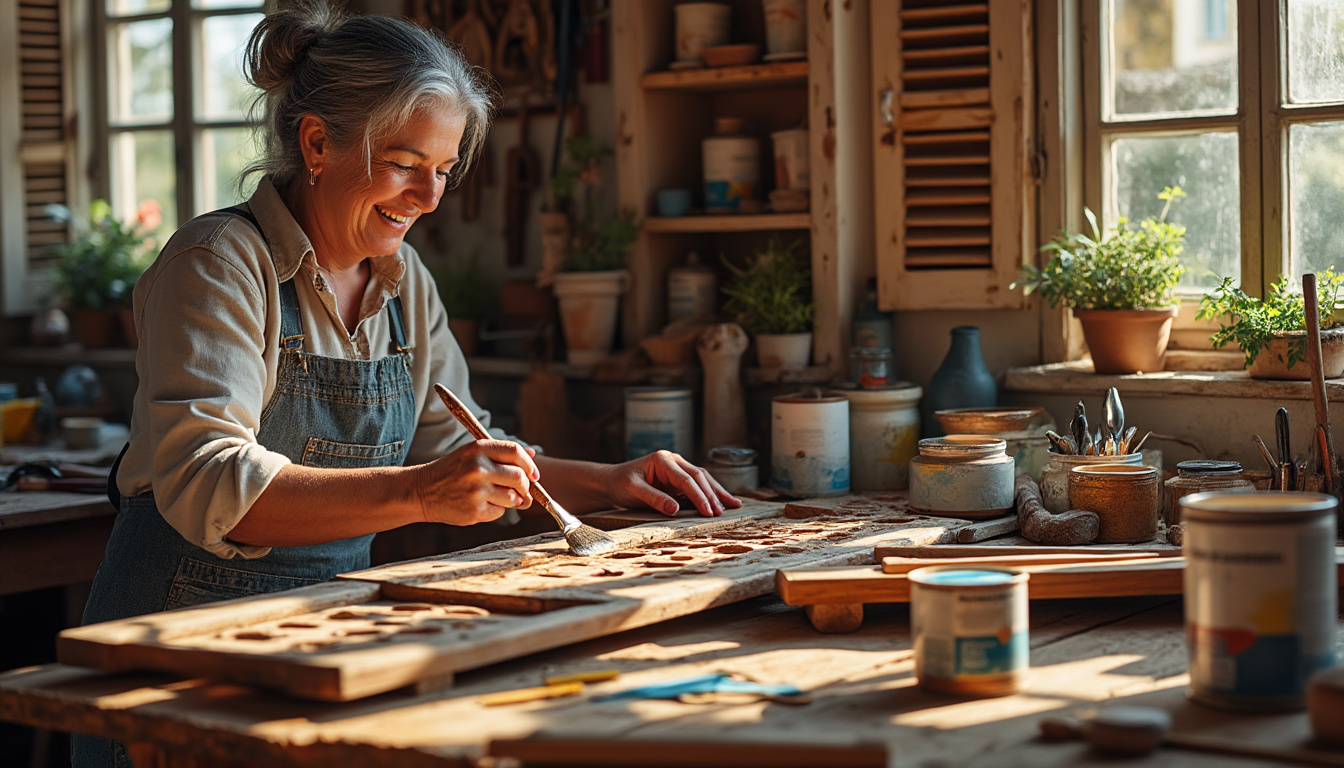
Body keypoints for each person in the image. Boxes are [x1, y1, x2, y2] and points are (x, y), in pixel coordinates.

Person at [74, 3, 738, 765]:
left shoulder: (402, 282)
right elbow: (208, 483)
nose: (429, 199)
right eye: (403, 163)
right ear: (317, 142)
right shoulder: (220, 263)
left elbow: (463, 447)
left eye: (444, 170)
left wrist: (610, 481)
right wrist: (421, 493)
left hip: (322, 645)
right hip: (173, 662)